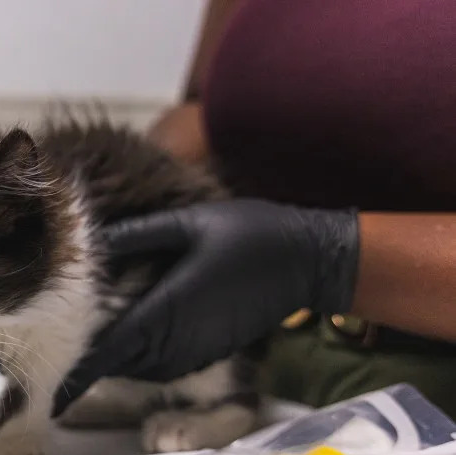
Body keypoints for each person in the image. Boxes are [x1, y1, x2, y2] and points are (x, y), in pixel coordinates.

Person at [55, 0, 456, 416]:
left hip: (432, 395)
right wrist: (118, 204)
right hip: (247, 366)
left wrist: (328, 257)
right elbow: (203, 108)